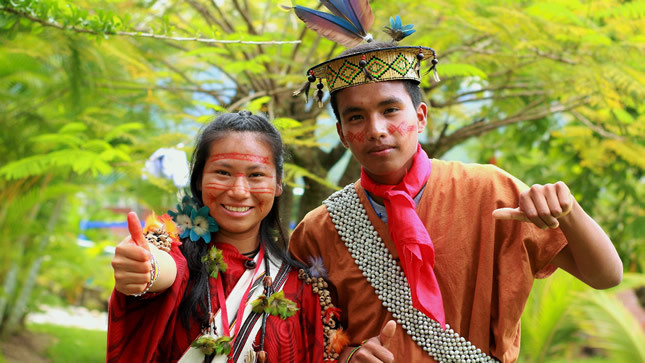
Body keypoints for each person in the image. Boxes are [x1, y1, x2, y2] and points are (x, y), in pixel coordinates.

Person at [285, 3, 623, 363]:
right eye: (356, 117)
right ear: (342, 133)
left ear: (421, 116)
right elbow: (299, 338)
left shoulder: (491, 192)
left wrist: (569, 213)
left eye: (390, 110)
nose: (376, 130)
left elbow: (605, 275)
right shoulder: (318, 230)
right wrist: (347, 356)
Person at [107, 111, 340, 362]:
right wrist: (147, 269)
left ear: (278, 184)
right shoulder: (171, 250)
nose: (239, 191)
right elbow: (163, 268)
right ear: (199, 179)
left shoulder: (304, 288)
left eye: (256, 175)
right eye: (223, 173)